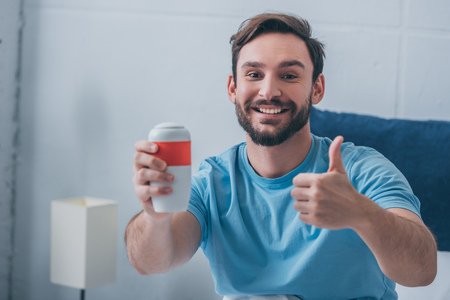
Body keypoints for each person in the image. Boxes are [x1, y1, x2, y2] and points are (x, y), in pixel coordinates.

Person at [125, 13, 437, 300]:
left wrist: (362, 213)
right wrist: (156, 216)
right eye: (254, 74)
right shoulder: (210, 184)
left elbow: (422, 271)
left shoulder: (364, 170)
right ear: (233, 88)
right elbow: (151, 263)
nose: (269, 91)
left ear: (316, 89)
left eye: (289, 76)